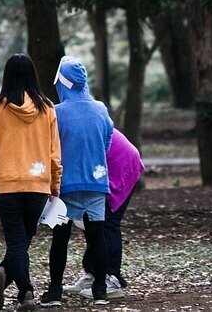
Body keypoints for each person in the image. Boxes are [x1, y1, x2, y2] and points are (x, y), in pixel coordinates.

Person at [0, 54, 62, 312]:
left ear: (6, 76)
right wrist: (55, 182)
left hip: (6, 184)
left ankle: (7, 275)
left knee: (17, 241)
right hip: (37, 183)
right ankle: (25, 291)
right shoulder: (47, 108)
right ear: (33, 75)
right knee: (22, 240)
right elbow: (53, 151)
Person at [40, 56, 114, 308]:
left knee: (60, 239)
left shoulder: (55, 112)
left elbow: (50, 148)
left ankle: (55, 292)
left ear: (61, 82)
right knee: (97, 238)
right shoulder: (101, 109)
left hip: (66, 184)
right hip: (96, 182)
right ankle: (100, 290)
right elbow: (107, 142)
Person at [64, 128, 144, 299]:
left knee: (107, 223)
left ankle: (112, 278)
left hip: (122, 165)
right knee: (91, 221)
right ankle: (93, 273)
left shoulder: (63, 120)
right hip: (105, 167)